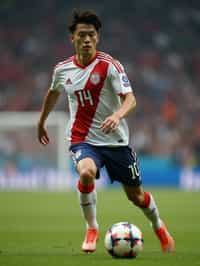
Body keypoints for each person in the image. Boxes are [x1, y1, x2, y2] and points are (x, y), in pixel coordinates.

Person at [37, 10, 175, 253]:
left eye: (91, 35)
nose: (87, 39)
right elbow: (53, 92)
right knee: (86, 173)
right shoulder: (62, 70)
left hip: (116, 142)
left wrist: (117, 114)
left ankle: (158, 225)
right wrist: (41, 122)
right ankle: (92, 227)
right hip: (82, 139)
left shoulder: (110, 66)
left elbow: (131, 100)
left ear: (97, 37)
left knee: (137, 196)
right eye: (82, 35)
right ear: (73, 38)